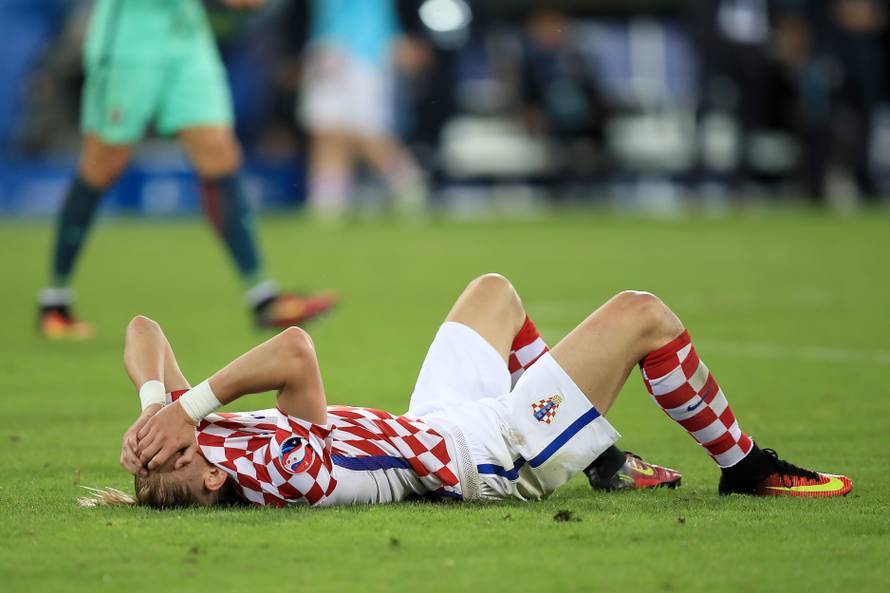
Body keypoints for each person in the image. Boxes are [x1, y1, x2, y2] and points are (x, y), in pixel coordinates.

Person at [82, 274, 851, 508]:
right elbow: (295, 351)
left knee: (493, 292)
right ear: (212, 477)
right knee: (642, 314)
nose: (169, 443)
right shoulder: (286, 473)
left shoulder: (199, 441)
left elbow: (143, 326)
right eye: (172, 453)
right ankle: (745, 465)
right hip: (494, 453)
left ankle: (603, 460)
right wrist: (186, 406)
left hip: (430, 423)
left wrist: (155, 403)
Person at [38, 0, 335, 339]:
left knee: (219, 153)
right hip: (131, 38)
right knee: (103, 165)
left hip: (186, 33)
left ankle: (263, 297)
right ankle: (55, 301)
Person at [298, 0, 428, 220]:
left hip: (365, 50)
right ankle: (327, 208)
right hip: (326, 47)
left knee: (367, 133)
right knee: (326, 131)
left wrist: (394, 36)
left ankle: (408, 186)